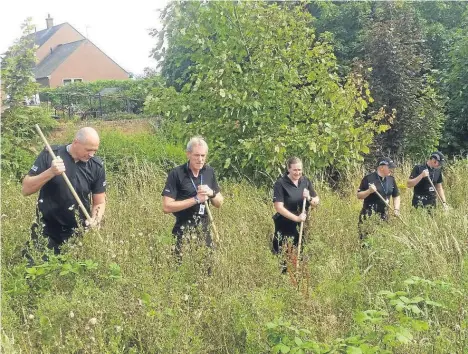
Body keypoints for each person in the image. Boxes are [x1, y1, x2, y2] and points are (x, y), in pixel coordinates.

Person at [22, 127, 106, 254]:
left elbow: (99, 202)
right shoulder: (50, 154)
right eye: (88, 150)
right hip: (45, 230)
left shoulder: (96, 166)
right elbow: (26, 189)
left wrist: (95, 219)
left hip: (78, 233)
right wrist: (51, 172)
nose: (91, 154)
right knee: (35, 269)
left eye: (95, 151)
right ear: (76, 142)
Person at [162, 137, 224, 255]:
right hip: (183, 230)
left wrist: (211, 193)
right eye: (196, 155)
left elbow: (219, 203)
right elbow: (166, 207)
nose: (200, 159)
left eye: (203, 156)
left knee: (207, 269)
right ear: (188, 154)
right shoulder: (176, 174)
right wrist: (196, 199)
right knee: (181, 269)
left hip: (204, 230)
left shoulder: (209, 172)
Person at [272, 157, 319, 256]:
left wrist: (309, 198)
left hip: (302, 225)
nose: (297, 173)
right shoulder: (280, 183)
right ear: (289, 169)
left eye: (299, 170)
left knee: (300, 254)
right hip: (284, 225)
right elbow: (278, 207)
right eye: (295, 170)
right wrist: (296, 218)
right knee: (285, 256)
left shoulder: (305, 181)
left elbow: (316, 201)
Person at [357, 157, 400, 240]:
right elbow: (359, 195)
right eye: (389, 167)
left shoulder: (391, 179)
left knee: (382, 243)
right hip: (369, 216)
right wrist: (369, 191)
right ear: (381, 167)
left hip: (384, 216)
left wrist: (396, 209)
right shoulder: (368, 178)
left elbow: (396, 196)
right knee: (367, 243)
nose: (392, 170)